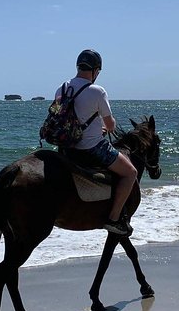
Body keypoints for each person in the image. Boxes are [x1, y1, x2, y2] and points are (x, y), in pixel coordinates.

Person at [55, 49, 137, 236]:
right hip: (91, 148)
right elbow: (109, 125)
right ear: (96, 70)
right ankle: (114, 219)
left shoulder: (62, 88)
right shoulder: (98, 91)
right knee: (130, 172)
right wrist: (108, 126)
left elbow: (63, 117)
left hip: (67, 147)